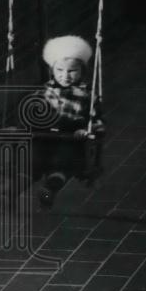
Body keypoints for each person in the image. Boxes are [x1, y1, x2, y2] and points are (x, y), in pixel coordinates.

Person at [39, 35, 104, 205]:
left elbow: (97, 120)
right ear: (52, 70)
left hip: (72, 137)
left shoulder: (87, 95)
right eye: (59, 70)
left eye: (72, 71)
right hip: (46, 136)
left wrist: (88, 129)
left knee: (63, 163)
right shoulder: (46, 92)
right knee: (33, 157)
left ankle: (50, 190)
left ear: (83, 71)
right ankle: (13, 188)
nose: (65, 75)